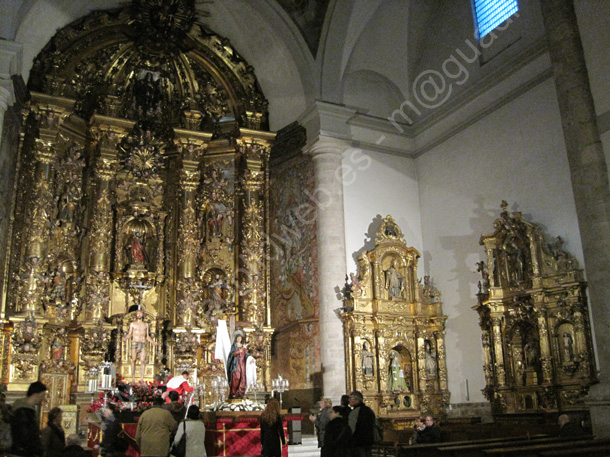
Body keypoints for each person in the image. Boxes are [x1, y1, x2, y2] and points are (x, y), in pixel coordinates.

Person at [10, 381, 47, 457]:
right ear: (37, 394)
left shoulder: (26, 409)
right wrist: (37, 449)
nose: (43, 399)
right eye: (43, 395)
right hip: (23, 453)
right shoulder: (24, 411)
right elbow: (26, 435)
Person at [123, 309, 157, 382]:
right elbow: (130, 334)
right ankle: (133, 378)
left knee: (142, 360)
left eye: (140, 314)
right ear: (136, 315)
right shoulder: (133, 324)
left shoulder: (145, 325)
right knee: (133, 360)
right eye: (137, 313)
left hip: (142, 342)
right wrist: (126, 338)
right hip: (135, 342)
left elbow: (147, 336)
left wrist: (152, 342)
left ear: (142, 315)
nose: (139, 315)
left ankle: (142, 378)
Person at [347, 390, 376, 457]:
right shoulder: (369, 410)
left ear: (357, 400)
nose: (349, 400)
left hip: (358, 442)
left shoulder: (355, 412)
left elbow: (351, 428)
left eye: (351, 398)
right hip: (369, 440)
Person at [227, 333, 249, 399]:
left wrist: (251, 358)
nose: (239, 339)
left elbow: (246, 354)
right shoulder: (234, 345)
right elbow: (231, 354)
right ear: (236, 339)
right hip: (236, 364)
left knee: (243, 378)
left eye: (240, 338)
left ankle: (241, 393)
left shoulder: (243, 346)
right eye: (238, 338)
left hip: (242, 364)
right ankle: (234, 393)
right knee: (236, 378)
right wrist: (238, 352)